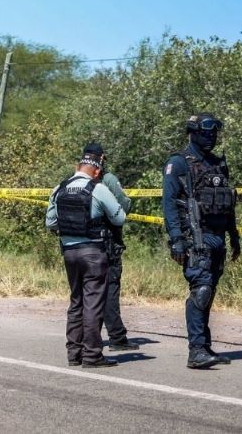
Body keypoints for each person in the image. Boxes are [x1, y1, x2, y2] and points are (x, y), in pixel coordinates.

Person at [162, 112, 241, 369]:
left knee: (210, 292)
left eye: (214, 133)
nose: (211, 137)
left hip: (218, 238)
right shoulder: (179, 163)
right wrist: (176, 240)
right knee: (201, 290)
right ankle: (195, 351)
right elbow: (170, 205)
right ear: (193, 132)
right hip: (196, 238)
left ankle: (204, 345)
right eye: (206, 132)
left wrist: (234, 236)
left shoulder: (217, 163)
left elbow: (227, 205)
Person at [46, 145, 126, 368]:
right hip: (93, 252)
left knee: (76, 302)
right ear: (97, 171)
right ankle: (92, 355)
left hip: (69, 253)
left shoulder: (59, 189)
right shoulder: (98, 189)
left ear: (77, 166)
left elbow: (50, 223)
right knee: (93, 303)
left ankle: (74, 354)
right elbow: (120, 218)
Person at [92, 145, 139, 351]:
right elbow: (124, 205)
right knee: (110, 290)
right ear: (102, 158)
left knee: (88, 293)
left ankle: (89, 338)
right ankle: (118, 338)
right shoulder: (108, 179)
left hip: (84, 246)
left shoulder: (76, 181)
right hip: (108, 244)